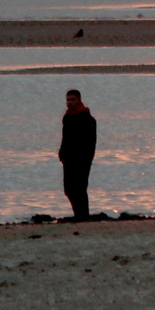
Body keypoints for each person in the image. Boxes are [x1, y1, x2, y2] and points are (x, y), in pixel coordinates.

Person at [59, 88, 97, 220]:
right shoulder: (67, 118)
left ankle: (83, 216)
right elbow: (65, 138)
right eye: (68, 100)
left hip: (82, 159)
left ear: (79, 100)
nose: (70, 103)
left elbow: (91, 143)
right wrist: (62, 153)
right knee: (68, 189)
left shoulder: (87, 119)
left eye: (73, 100)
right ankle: (79, 214)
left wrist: (87, 158)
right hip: (68, 159)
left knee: (79, 188)